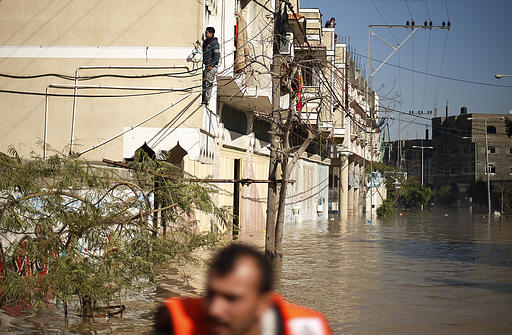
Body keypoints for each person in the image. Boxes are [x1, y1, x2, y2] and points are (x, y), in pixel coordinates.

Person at [154, 243, 331, 335]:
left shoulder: (306, 329)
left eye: (231, 298)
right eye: (211, 294)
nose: (215, 310)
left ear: (264, 304)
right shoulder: (174, 324)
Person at [202, 27, 220, 105]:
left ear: (211, 33)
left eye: (207, 33)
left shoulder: (214, 43)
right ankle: (204, 98)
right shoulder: (206, 42)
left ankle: (206, 99)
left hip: (212, 66)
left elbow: (217, 54)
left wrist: (212, 64)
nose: (206, 34)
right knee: (204, 82)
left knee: (208, 83)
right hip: (207, 65)